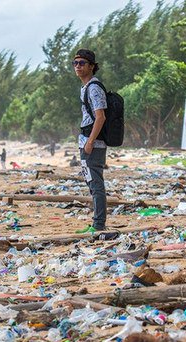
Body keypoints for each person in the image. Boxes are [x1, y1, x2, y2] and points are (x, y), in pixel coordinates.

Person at [73, 48, 107, 233]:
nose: (78, 66)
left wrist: (90, 142)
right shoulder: (85, 87)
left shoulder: (94, 88)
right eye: (75, 63)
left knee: (95, 183)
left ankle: (98, 224)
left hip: (93, 144)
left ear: (92, 66)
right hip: (87, 141)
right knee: (91, 182)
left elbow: (100, 117)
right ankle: (97, 222)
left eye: (82, 63)